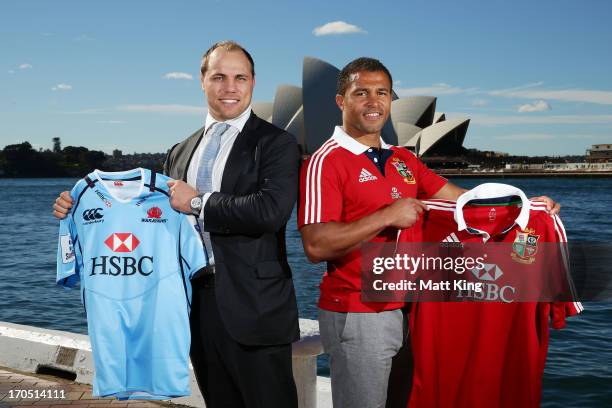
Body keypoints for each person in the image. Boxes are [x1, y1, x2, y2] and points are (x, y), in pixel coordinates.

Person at [297, 57, 560, 408]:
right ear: (341, 101)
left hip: (416, 309)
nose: (373, 102)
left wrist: (526, 206)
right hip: (360, 312)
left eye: (382, 93)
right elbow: (316, 245)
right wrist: (385, 216)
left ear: (391, 100)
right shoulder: (324, 162)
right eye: (361, 93)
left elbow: (467, 205)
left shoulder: (404, 159)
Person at [53, 40, 300, 408]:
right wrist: (76, 207)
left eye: (239, 77)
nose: (229, 87)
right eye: (218, 77)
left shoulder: (277, 142)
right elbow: (148, 221)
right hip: (193, 304)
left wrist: (199, 202)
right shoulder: (180, 151)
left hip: (255, 304)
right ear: (202, 81)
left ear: (253, 83)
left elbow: (270, 211)